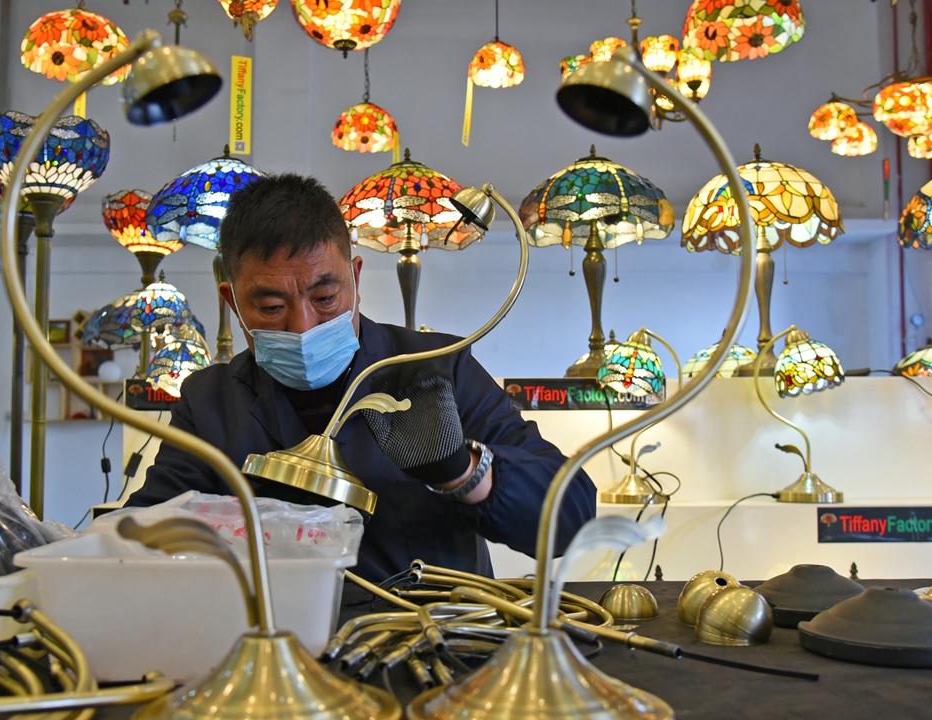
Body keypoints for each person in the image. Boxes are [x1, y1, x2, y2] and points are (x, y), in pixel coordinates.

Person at [126, 173, 597, 581]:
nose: (303, 326)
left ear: (355, 277)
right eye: (270, 307)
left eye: (325, 298)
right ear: (232, 302)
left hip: (430, 643)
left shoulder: (437, 367)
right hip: (275, 651)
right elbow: (147, 536)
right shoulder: (210, 403)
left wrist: (464, 472)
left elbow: (573, 515)